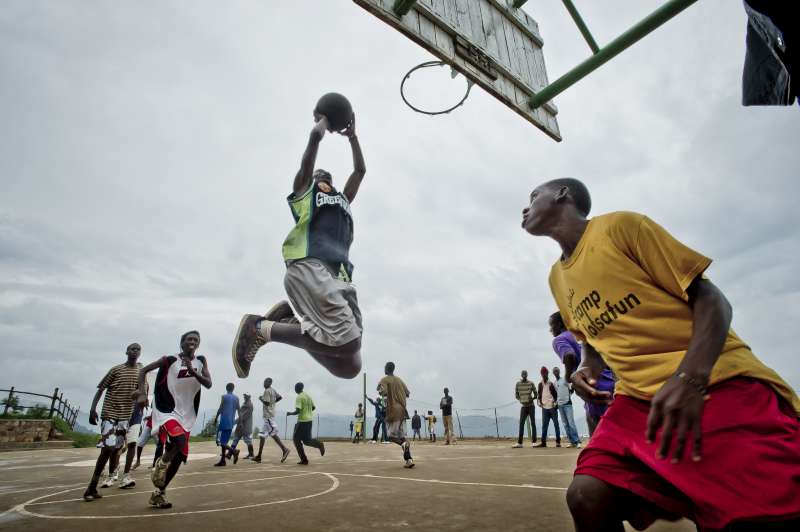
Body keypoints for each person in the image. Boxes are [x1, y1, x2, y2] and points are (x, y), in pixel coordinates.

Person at [522, 178, 800, 530]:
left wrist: (690, 378)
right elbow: (590, 338)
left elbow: (713, 300)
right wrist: (588, 369)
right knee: (585, 495)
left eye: (533, 197)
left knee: (751, 514)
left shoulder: (622, 228)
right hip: (637, 400)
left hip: (713, 379)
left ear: (562, 195)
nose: (525, 207)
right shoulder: (556, 279)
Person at [232, 111, 366, 380]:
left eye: (324, 174)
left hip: (337, 278)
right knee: (349, 341)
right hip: (309, 265)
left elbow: (360, 170)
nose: (320, 174)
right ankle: (259, 328)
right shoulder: (306, 193)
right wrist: (325, 122)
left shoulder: (343, 199)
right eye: (316, 173)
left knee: (350, 366)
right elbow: (313, 142)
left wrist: (353, 138)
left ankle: (287, 322)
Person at [135, 331, 211, 509]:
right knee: (179, 440)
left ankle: (159, 493)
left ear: (198, 344)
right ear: (182, 343)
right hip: (168, 410)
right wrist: (141, 393)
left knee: (180, 456)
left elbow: (208, 383)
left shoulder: (201, 361)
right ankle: (161, 463)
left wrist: (193, 372)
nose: (192, 342)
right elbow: (143, 370)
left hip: (187, 413)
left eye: (195, 340)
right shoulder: (170, 360)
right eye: (188, 339)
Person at [82, 343, 142, 501]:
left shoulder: (140, 372)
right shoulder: (116, 370)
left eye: (138, 349)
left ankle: (95, 486)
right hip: (109, 413)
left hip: (125, 417)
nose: (134, 351)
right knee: (107, 448)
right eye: (132, 349)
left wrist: (140, 396)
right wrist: (92, 409)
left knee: (115, 449)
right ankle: (91, 487)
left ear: (140, 353)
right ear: (126, 351)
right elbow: (101, 389)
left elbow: (141, 393)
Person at [550, 311, 614, 436]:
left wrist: (568, 376)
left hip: (592, 388)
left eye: (551, 325)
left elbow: (569, 355)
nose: (550, 330)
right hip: (610, 383)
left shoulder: (559, 339)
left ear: (559, 324)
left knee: (598, 435)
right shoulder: (583, 335)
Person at [378, 362, 414, 468]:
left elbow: (381, 392)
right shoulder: (400, 380)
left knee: (390, 436)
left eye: (384, 367)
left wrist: (387, 397)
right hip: (403, 410)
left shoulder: (384, 380)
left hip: (393, 410)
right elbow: (407, 393)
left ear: (387, 368)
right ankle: (409, 460)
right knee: (402, 437)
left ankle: (404, 445)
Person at [287, 382, 325, 465]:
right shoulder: (308, 396)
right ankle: (319, 444)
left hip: (302, 421)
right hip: (309, 421)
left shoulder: (299, 397)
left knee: (296, 440)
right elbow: (313, 407)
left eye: (295, 388)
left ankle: (304, 459)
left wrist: (290, 413)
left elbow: (298, 411)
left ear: (297, 388)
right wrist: (308, 412)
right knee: (307, 441)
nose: (294, 389)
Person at [255, 377, 290, 463]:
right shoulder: (273, 390)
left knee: (273, 434)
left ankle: (285, 449)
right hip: (269, 416)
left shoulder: (267, 391)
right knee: (262, 436)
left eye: (265, 382)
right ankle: (259, 456)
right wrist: (273, 403)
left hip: (268, 416)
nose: (264, 383)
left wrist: (261, 399)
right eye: (264, 382)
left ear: (269, 383)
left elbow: (266, 403)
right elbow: (280, 397)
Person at [553, 367, 581, 448]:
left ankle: (577, 441)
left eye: (557, 371)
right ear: (553, 373)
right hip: (560, 406)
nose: (556, 372)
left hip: (568, 404)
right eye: (554, 371)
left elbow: (571, 389)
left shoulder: (565, 380)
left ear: (559, 372)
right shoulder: (555, 383)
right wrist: (557, 403)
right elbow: (558, 394)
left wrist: (569, 396)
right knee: (565, 424)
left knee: (571, 423)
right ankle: (572, 442)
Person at [214, 383, 240, 466]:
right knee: (224, 442)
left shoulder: (224, 397)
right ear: (233, 388)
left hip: (224, 422)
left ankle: (234, 451)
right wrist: (241, 422)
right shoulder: (236, 398)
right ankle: (222, 461)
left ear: (226, 388)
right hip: (231, 423)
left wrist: (215, 418)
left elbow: (220, 408)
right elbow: (239, 410)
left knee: (221, 442)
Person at [512, 370, 537, 448]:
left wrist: (532, 398)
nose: (524, 375)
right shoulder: (518, 384)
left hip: (531, 406)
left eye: (525, 374)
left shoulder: (531, 383)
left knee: (533, 423)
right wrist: (521, 400)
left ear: (527, 375)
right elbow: (516, 394)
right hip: (523, 406)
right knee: (521, 424)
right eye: (523, 374)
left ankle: (534, 442)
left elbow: (536, 394)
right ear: (521, 375)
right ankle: (520, 443)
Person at [537, 367, 561, 448]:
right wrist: (539, 403)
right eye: (543, 373)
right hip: (544, 408)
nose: (544, 375)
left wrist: (555, 404)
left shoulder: (551, 384)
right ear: (541, 374)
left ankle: (558, 442)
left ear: (547, 374)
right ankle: (543, 443)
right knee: (544, 426)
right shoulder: (540, 385)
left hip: (552, 408)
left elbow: (556, 395)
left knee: (556, 425)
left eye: (545, 373)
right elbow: (539, 395)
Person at [229, 393, 254, 460]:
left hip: (245, 426)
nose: (244, 397)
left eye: (245, 396)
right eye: (244, 395)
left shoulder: (248, 405)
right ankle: (230, 453)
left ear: (249, 397)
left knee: (247, 440)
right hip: (241, 425)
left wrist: (234, 422)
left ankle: (251, 454)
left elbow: (242, 416)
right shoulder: (246, 403)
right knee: (236, 439)